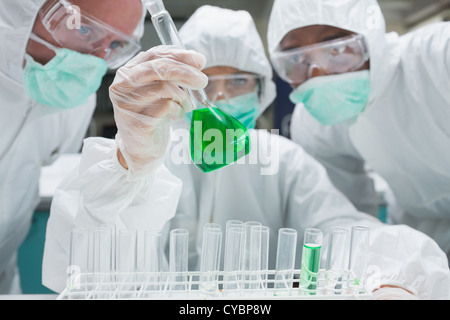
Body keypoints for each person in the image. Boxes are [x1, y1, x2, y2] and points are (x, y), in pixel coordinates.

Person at [42, 5, 450, 299]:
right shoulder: (147, 154)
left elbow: (342, 231)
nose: (216, 98)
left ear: (262, 90)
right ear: (176, 89)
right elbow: (80, 271)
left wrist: (395, 279)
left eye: (237, 82)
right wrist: (128, 166)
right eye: (202, 83)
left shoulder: (285, 160)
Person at [267, 0, 450, 259]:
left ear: (371, 39)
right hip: (421, 239)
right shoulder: (312, 120)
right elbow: (345, 221)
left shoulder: (439, 57)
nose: (318, 73)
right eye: (296, 58)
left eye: (338, 49)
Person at [0, 0, 159, 294]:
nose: (98, 57)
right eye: (83, 28)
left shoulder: (71, 97)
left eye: (116, 45)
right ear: (22, 10)